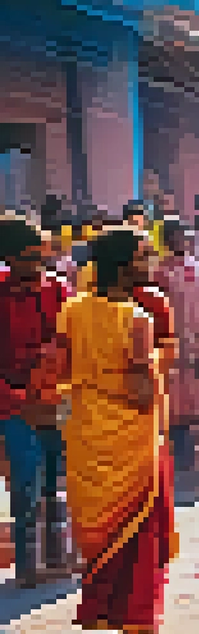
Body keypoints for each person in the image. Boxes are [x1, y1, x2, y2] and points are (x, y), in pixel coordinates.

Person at [55, 227, 175, 634]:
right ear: (124, 266)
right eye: (144, 257)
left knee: (105, 527)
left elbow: (60, 369)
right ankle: (137, 622)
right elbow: (141, 391)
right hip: (130, 434)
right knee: (140, 525)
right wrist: (164, 357)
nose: (151, 264)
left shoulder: (71, 309)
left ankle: (106, 610)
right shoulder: (136, 319)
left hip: (88, 427)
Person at [0, 217, 73, 588]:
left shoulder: (58, 289)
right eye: (29, 258)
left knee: (57, 479)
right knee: (26, 481)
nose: (38, 265)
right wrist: (16, 400)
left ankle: (58, 556)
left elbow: (71, 342)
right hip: (14, 403)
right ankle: (28, 563)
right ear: (9, 257)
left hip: (55, 398)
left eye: (41, 257)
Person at [158, 218, 199, 472]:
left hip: (196, 344)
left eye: (186, 237)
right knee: (175, 402)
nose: (184, 241)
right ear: (168, 239)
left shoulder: (196, 267)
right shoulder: (160, 271)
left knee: (198, 401)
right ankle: (178, 455)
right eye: (179, 237)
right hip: (173, 346)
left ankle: (196, 454)